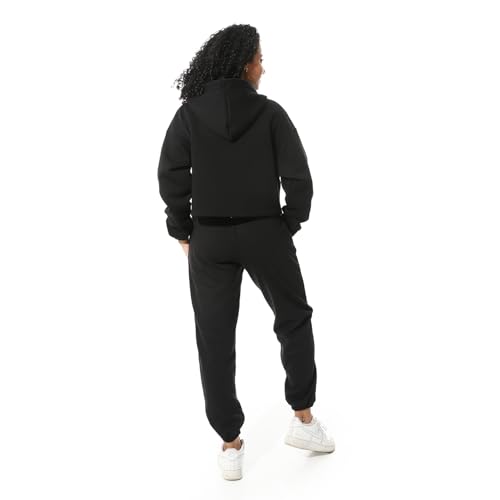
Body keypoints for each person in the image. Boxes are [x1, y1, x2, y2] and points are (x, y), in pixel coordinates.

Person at [157, 24, 335, 481]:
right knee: (294, 318)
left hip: (210, 239)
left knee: (214, 339)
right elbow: (299, 178)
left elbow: (171, 175)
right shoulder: (270, 114)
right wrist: (287, 223)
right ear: (243, 64)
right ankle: (303, 420)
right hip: (264, 232)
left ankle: (230, 445)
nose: (263, 67)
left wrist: (183, 230)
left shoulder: (189, 116)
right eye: (259, 59)